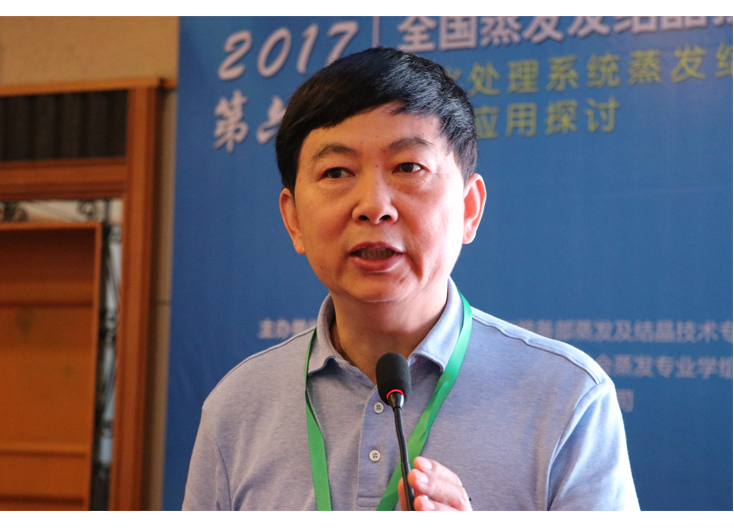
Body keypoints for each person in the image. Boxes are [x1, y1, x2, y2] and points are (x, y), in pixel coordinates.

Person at [182, 46, 639, 511]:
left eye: (408, 167)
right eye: (336, 172)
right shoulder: (236, 406)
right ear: (293, 219)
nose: (373, 206)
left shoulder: (568, 399)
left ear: (469, 209)